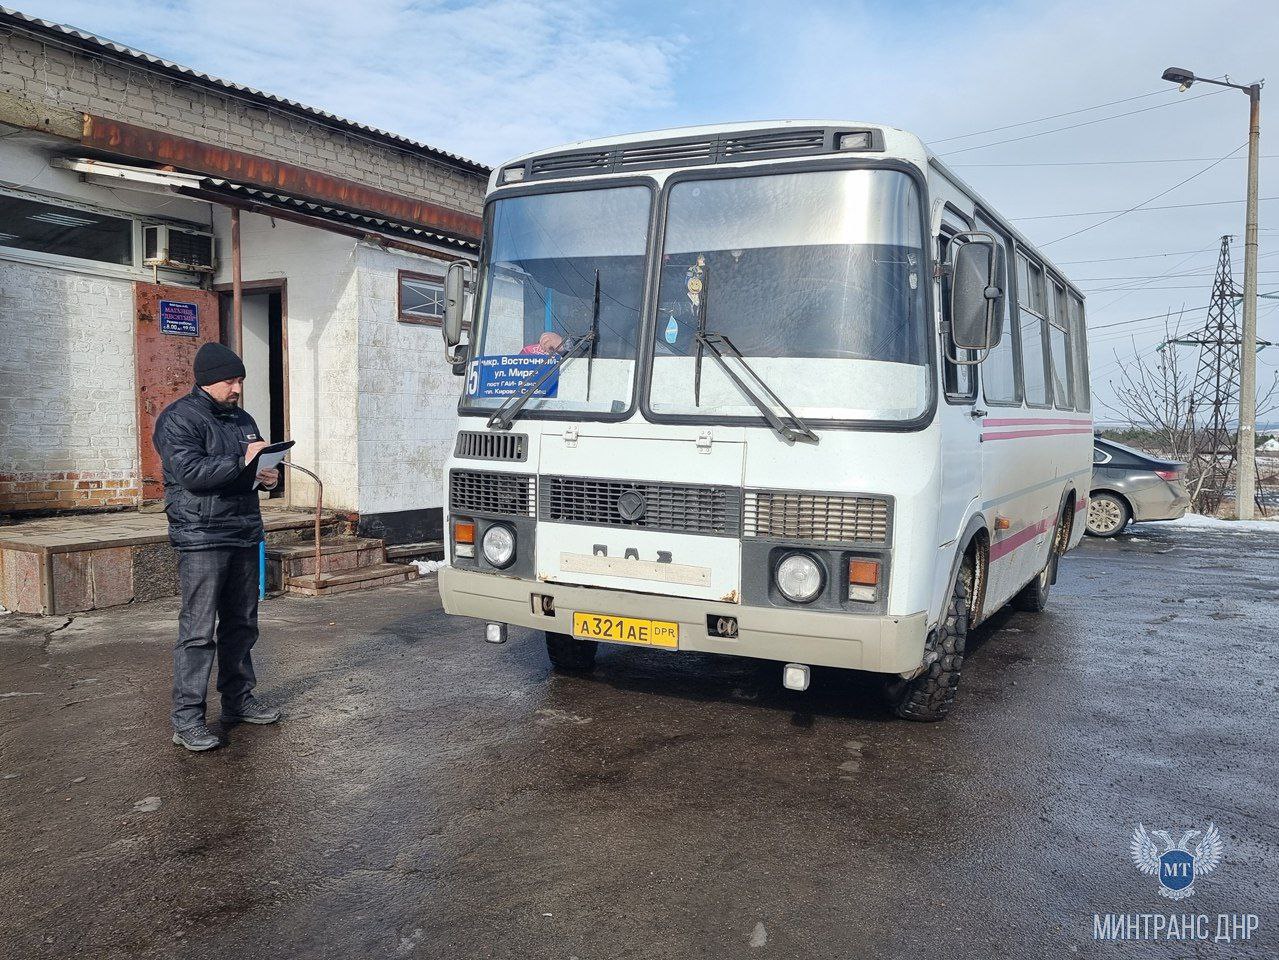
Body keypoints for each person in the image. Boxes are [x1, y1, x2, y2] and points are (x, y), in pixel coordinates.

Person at [153, 342, 283, 752]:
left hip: (243, 530)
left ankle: (238, 701)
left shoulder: (242, 418)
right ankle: (188, 720)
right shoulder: (178, 419)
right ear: (208, 380)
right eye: (231, 380)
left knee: (242, 625)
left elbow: (251, 466)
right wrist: (244, 461)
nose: (238, 388)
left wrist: (266, 475)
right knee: (197, 631)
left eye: (241, 380)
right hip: (202, 536)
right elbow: (189, 472)